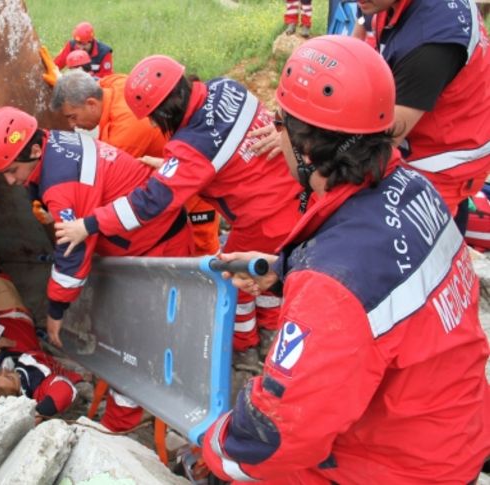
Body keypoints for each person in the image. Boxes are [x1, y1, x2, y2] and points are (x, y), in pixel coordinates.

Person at [202, 35, 490, 483]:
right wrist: (281, 272)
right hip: (452, 427)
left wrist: (211, 444)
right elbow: (381, 279)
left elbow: (274, 434)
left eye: (279, 124)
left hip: (399, 466)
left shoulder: (332, 287)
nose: (274, 137)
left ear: (307, 149)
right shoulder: (414, 189)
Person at [54, 55, 303, 363]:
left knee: (234, 277)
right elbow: (226, 149)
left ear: (163, 113)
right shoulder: (225, 87)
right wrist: (169, 166)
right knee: (268, 271)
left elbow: (147, 204)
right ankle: (269, 328)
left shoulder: (191, 145)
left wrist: (88, 225)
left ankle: (244, 348)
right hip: (296, 195)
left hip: (265, 220)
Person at [0, 106, 194, 349]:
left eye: (12, 171)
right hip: (159, 231)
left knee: (168, 331)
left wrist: (56, 310)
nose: (10, 181)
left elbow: (73, 253)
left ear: (35, 150)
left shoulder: (61, 188)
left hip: (159, 247)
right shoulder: (53, 139)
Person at [52, 70, 221, 255]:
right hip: (167, 181)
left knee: (202, 253)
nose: (72, 125)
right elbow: (93, 81)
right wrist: (61, 80)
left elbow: (103, 182)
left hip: (191, 191)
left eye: (72, 116)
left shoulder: (126, 132)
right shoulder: (111, 85)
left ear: (91, 104)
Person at [359, 0, 490, 230]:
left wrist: (304, 144)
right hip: (428, 135)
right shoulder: (391, 6)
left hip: (439, 169)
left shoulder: (431, 40)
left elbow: (375, 146)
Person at [0, 271, 81, 417]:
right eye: (9, 377)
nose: (4, 369)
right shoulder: (34, 383)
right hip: (14, 314)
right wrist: (39, 414)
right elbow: (65, 389)